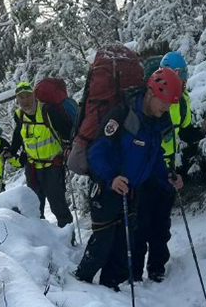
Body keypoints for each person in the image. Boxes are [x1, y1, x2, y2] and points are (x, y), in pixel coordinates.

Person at [74, 68, 184, 290]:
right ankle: (79, 287)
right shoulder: (122, 114)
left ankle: (110, 292)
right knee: (102, 245)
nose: (167, 108)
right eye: (164, 102)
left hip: (132, 192)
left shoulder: (154, 123)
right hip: (106, 189)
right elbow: (97, 152)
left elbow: (153, 159)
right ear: (151, 94)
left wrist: (168, 178)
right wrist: (111, 177)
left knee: (124, 249)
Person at [133, 51, 206, 282]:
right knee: (141, 221)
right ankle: (135, 271)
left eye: (182, 75)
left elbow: (185, 131)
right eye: (177, 75)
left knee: (162, 222)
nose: (181, 80)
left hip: (167, 167)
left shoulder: (183, 100)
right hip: (145, 168)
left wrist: (201, 131)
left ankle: (157, 267)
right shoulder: (151, 97)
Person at [9, 81, 74, 228]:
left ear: (33, 95)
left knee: (58, 205)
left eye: (27, 96)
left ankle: (68, 239)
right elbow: (18, 135)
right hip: (32, 166)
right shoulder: (19, 116)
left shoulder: (48, 111)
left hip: (53, 165)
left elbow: (66, 130)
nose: (24, 101)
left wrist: (68, 146)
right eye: (21, 98)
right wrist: (12, 152)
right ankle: (42, 242)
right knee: (34, 208)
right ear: (17, 100)